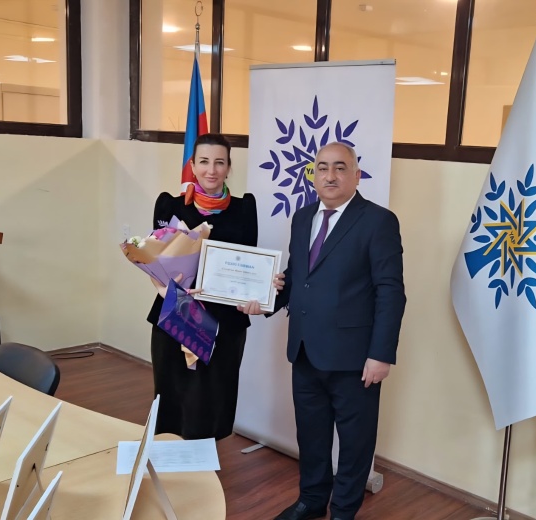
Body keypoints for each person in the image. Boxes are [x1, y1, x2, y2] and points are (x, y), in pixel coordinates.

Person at [240, 142, 406, 520]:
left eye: (340, 168)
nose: (330, 176)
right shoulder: (303, 217)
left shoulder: (378, 221)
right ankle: (312, 500)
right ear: (313, 175)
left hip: (354, 357)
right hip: (304, 349)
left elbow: (390, 291)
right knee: (311, 435)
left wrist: (380, 354)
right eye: (322, 168)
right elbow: (299, 278)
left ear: (356, 175)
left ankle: (343, 511)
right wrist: (265, 299)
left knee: (355, 442)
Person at [147, 133, 258, 440]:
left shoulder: (245, 208)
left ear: (229, 167)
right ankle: (172, 458)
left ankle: (206, 462)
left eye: (219, 162)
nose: (212, 170)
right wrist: (167, 289)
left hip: (226, 322)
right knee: (172, 397)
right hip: (175, 316)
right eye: (204, 162)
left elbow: (249, 263)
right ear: (193, 166)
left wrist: (254, 293)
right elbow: (156, 261)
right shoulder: (169, 206)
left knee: (215, 398)